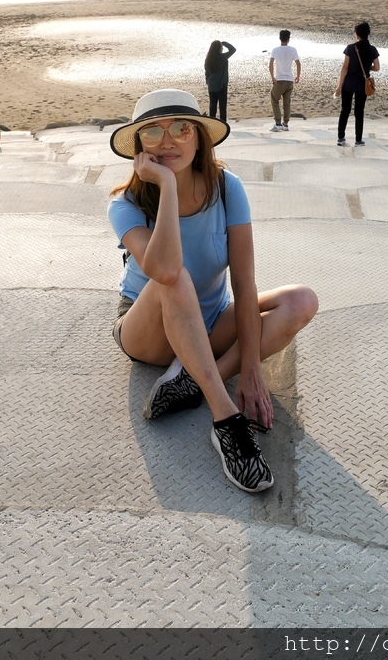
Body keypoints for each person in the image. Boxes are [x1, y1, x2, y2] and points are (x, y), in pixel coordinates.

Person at [107, 89, 318, 493]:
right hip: (146, 328)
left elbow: (243, 279)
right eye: (152, 133)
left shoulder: (227, 188)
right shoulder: (126, 203)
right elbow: (164, 269)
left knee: (301, 300)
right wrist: (167, 186)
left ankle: (191, 383)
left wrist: (252, 369)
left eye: (181, 128)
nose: (168, 141)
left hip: (207, 320)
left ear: (199, 137)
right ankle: (225, 421)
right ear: (139, 148)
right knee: (175, 275)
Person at [334, 22, 380, 147]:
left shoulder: (350, 48)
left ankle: (341, 138)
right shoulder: (372, 49)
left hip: (348, 84)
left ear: (357, 34)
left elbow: (345, 68)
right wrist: (366, 68)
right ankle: (358, 140)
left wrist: (339, 85)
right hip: (362, 84)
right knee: (359, 112)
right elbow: (377, 67)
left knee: (345, 110)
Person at [269, 30, 301, 132]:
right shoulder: (293, 50)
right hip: (289, 80)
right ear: (288, 39)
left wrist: (272, 77)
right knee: (287, 102)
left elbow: (270, 64)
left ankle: (278, 123)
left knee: (274, 99)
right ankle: (285, 124)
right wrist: (298, 76)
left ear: (280, 38)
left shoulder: (276, 50)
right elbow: (298, 63)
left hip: (280, 79)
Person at [204, 40, 237, 122]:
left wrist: (207, 81)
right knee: (222, 108)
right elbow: (233, 50)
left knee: (212, 107)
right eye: (221, 47)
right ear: (219, 48)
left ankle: (212, 124)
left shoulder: (208, 59)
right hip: (221, 85)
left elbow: (206, 72)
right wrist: (224, 43)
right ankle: (223, 126)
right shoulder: (222, 57)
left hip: (211, 85)